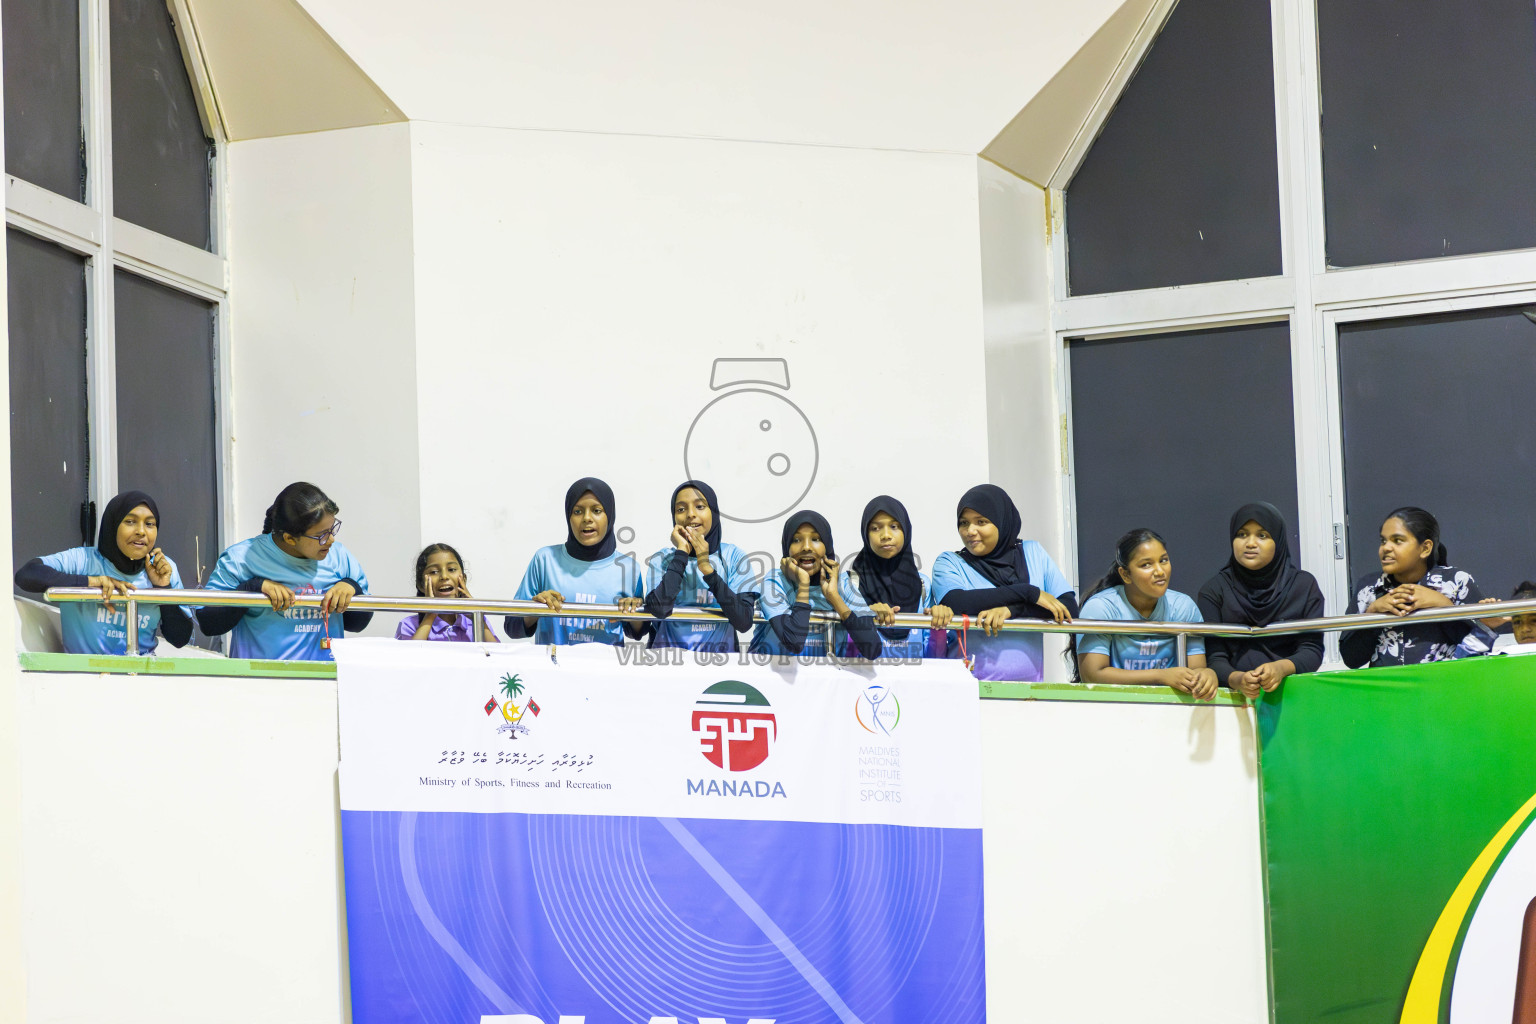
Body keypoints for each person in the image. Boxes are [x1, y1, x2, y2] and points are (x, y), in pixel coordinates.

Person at [197, 482, 371, 660]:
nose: (331, 540)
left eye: (332, 529)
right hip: (258, 681)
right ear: (290, 538)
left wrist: (352, 588)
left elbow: (357, 624)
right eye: (321, 535)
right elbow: (208, 624)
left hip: (323, 680)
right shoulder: (240, 559)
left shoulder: (339, 556)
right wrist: (251, 589)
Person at [13, 489, 193, 655]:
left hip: (141, 680)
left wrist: (163, 588)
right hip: (83, 679)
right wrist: (91, 582)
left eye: (150, 524)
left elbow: (179, 639)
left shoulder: (163, 568)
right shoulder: (84, 560)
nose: (141, 531)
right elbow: (27, 575)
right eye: (130, 522)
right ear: (112, 525)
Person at [930, 484, 1075, 681]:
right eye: (964, 523)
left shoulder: (1033, 552)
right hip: (967, 689)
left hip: (1030, 692)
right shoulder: (950, 562)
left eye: (981, 522)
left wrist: (1013, 610)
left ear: (1002, 521)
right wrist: (1027, 592)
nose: (970, 531)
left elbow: (1068, 609)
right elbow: (955, 603)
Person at [1197, 502, 1326, 699]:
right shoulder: (1214, 591)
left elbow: (1312, 650)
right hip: (1232, 699)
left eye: (1262, 535)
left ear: (1278, 540)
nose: (1250, 543)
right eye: (1241, 534)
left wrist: (1281, 669)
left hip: (1293, 695)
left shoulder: (1304, 586)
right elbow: (1215, 657)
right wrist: (1238, 680)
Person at [1339, 506, 1494, 668]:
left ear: (1425, 548)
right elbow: (1351, 659)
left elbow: (1479, 650)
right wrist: (1372, 613)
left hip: (1444, 687)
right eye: (1383, 541)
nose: (1386, 548)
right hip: (1386, 690)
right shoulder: (1369, 587)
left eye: (1398, 540)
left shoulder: (1456, 581)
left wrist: (1444, 606)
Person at [1074, 528, 1218, 701]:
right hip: (1112, 707)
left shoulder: (1183, 606)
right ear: (1126, 574)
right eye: (1146, 565)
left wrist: (1207, 676)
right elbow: (1092, 675)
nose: (1159, 571)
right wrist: (1160, 676)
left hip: (1170, 710)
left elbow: (1197, 669)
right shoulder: (1101, 607)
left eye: (1163, 560)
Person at [504, 477, 645, 646]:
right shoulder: (545, 560)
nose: (587, 518)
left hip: (606, 669)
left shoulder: (628, 568)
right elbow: (512, 629)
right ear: (568, 517)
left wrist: (633, 611)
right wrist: (536, 608)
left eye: (597, 510)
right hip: (552, 669)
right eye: (577, 511)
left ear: (610, 515)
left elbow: (637, 632)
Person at [748, 510, 882, 660]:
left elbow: (873, 649)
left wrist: (835, 598)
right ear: (787, 547)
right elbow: (794, 642)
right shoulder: (775, 582)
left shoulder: (843, 584)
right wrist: (803, 584)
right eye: (796, 540)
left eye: (816, 539)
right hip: (768, 680)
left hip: (826, 681)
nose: (806, 547)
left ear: (828, 546)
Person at [642, 480, 755, 652]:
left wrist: (707, 569)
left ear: (714, 512)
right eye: (681, 509)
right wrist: (681, 554)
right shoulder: (663, 558)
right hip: (667, 665)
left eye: (700, 506)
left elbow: (744, 621)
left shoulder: (734, 557)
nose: (690, 514)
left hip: (719, 667)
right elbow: (659, 609)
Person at [848, 496, 951, 660]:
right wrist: (864, 616)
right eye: (875, 528)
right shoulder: (852, 584)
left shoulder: (922, 585)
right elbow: (846, 653)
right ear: (865, 534)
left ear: (906, 530)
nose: (885, 535)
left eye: (894, 526)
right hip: (866, 683)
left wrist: (938, 626)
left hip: (914, 683)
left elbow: (933, 657)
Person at [396, 543, 499, 642]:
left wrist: (475, 615)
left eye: (451, 569)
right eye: (434, 572)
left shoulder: (477, 622)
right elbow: (409, 657)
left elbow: (497, 656)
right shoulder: (409, 625)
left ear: (463, 579)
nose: (444, 576)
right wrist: (430, 615)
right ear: (421, 585)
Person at [1480, 581, 1536, 654]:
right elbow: (1465, 663)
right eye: (1517, 622)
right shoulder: (1504, 656)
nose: (1525, 629)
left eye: (1534, 621)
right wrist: (1485, 629)